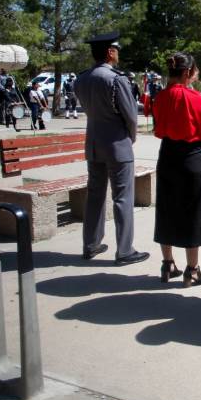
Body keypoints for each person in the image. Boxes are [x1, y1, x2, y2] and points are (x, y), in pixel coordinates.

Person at [74, 32, 149, 266]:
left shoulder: (82, 78)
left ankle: (91, 244)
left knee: (95, 195)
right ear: (109, 52)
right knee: (122, 198)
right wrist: (130, 138)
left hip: (94, 144)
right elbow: (130, 116)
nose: (118, 52)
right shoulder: (117, 79)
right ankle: (125, 250)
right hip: (117, 144)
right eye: (116, 48)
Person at [152, 52, 201, 287]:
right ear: (187, 73)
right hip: (191, 156)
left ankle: (167, 263)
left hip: (167, 154)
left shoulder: (160, 97)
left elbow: (158, 127)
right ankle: (192, 269)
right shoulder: (195, 98)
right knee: (194, 213)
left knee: (166, 209)